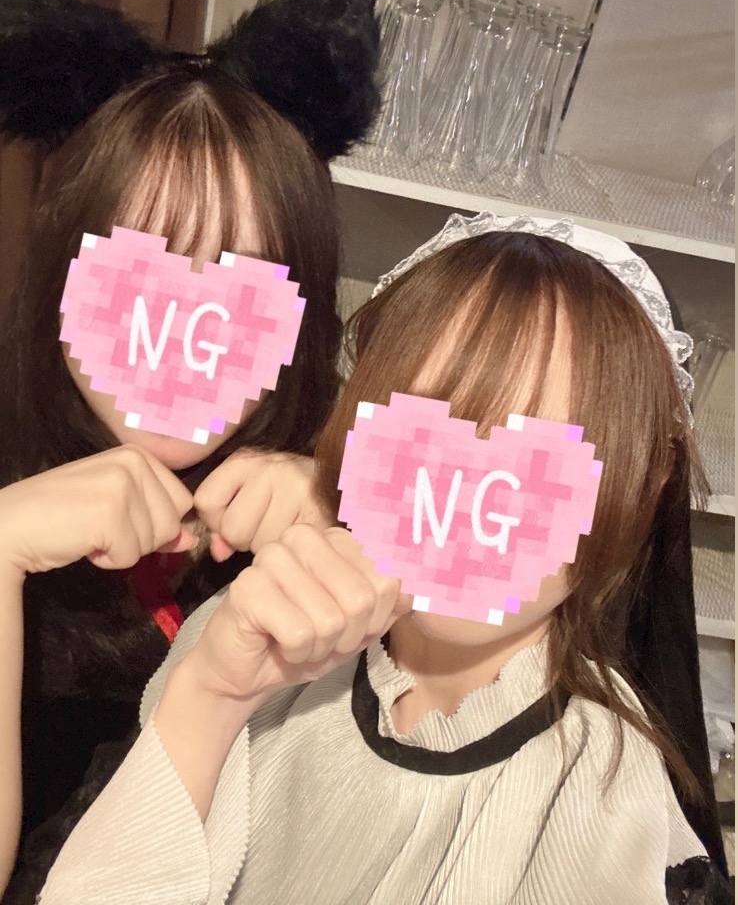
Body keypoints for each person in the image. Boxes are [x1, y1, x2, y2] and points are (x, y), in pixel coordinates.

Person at [38, 215, 732, 904]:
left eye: (537, 462)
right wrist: (210, 698)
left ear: (642, 487)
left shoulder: (604, 798)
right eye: (428, 430)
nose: (467, 494)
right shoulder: (252, 632)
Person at [0, 0, 380, 899]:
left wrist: (351, 528)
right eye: (143, 269)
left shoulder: (346, 462)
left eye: (239, 286)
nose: (185, 326)